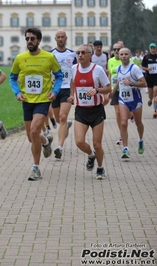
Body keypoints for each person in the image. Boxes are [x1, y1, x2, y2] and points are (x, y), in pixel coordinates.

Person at [9, 27, 63, 181]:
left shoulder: (49, 57)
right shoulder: (20, 58)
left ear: (39, 40)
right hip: (27, 100)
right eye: (27, 38)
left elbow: (59, 76)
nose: (29, 41)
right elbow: (12, 78)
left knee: (34, 131)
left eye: (32, 38)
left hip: (43, 100)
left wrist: (55, 91)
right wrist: (17, 92)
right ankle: (46, 141)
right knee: (31, 137)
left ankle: (35, 168)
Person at [68, 44, 111, 180]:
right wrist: (71, 95)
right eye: (78, 53)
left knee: (97, 144)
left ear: (89, 55)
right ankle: (91, 155)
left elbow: (108, 88)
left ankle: (100, 168)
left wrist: (97, 90)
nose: (79, 55)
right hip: (80, 111)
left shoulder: (97, 70)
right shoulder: (74, 68)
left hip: (96, 110)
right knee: (79, 142)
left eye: (83, 53)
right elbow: (72, 82)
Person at [111, 48, 147, 159]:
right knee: (123, 123)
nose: (123, 56)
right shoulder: (118, 68)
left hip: (135, 100)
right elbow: (118, 81)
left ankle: (140, 139)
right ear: (119, 56)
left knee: (138, 123)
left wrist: (131, 83)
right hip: (123, 99)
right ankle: (125, 148)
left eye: (126, 54)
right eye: (121, 54)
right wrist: (112, 93)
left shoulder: (134, 68)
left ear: (130, 55)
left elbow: (144, 83)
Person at [49, 29, 77, 159]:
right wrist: (50, 79)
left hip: (66, 89)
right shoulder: (50, 54)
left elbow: (75, 76)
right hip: (55, 90)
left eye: (62, 37)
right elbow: (46, 72)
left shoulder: (72, 55)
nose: (60, 39)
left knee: (63, 117)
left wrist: (73, 93)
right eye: (58, 37)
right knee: (59, 119)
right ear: (55, 39)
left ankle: (59, 147)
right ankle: (65, 128)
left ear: (66, 38)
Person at [108, 42, 125, 144]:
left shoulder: (128, 60)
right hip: (115, 90)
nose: (116, 51)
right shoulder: (110, 61)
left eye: (118, 49)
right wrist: (109, 88)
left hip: (126, 90)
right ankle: (122, 134)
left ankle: (130, 115)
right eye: (115, 49)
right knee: (118, 112)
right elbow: (110, 74)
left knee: (127, 112)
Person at [141, 42, 157, 117]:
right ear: (150, 49)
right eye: (151, 48)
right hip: (149, 77)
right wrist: (147, 68)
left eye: (154, 48)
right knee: (151, 95)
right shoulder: (146, 57)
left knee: (155, 92)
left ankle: (155, 111)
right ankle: (150, 99)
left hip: (156, 78)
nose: (153, 50)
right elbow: (142, 67)